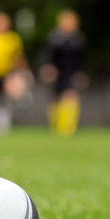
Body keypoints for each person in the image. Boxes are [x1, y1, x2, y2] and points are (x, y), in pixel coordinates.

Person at [39, 9, 87, 137]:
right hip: (56, 73)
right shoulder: (54, 38)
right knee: (56, 99)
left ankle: (67, 128)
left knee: (71, 96)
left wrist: (81, 73)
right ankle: (56, 125)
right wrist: (48, 68)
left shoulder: (78, 39)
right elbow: (48, 57)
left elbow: (81, 59)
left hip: (71, 73)